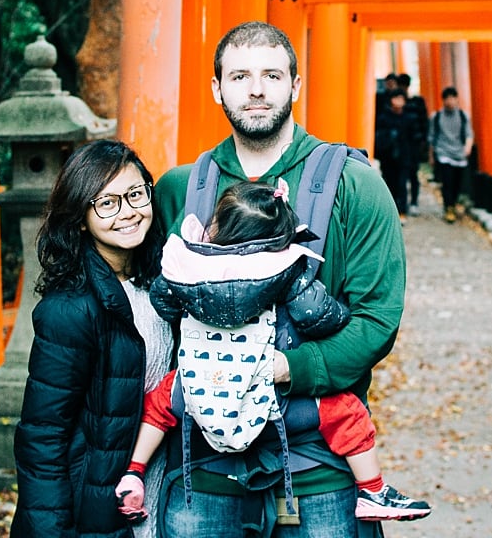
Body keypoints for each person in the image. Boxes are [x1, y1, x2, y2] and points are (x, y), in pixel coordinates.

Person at [153, 20, 409, 538]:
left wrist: (286, 368)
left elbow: (377, 319)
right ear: (217, 89)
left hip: (319, 457)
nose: (255, 89)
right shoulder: (180, 188)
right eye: (240, 75)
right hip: (203, 458)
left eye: (272, 75)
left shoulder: (355, 185)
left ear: (295, 85)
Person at [114, 180, 430, 525]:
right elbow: (318, 315)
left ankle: (134, 471)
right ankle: (373, 490)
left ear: (215, 228)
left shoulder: (187, 266)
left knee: (159, 404)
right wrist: (339, 315)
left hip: (198, 387)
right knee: (346, 411)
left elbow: (163, 300)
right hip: (269, 396)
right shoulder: (285, 269)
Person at [10, 140, 174, 538]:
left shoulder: (165, 284)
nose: (128, 212)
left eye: (136, 194)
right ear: (81, 218)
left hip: (160, 483)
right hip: (95, 504)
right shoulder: (69, 310)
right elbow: (43, 436)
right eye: (107, 203)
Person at [429, 86, 475, 223]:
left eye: (452, 98)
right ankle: (448, 207)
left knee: (457, 184)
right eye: (447, 98)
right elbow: (432, 138)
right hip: (443, 154)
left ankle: (452, 204)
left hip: (459, 154)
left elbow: (469, 134)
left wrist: (467, 147)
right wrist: (431, 156)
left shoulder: (463, 116)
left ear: (456, 99)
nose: (450, 101)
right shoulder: (436, 117)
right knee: (447, 183)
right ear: (443, 100)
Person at [373, 89, 420, 220]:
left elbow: (414, 139)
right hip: (387, 157)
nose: (398, 102)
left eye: (401, 99)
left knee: (402, 184)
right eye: (395, 98)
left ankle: (402, 211)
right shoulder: (384, 118)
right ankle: (391, 210)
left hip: (404, 157)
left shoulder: (410, 118)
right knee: (390, 184)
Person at [395, 74, 429, 215]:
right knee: (409, 176)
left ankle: (411, 202)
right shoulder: (414, 103)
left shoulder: (414, 104)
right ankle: (411, 202)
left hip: (411, 145)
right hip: (409, 146)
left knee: (410, 175)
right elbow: (424, 124)